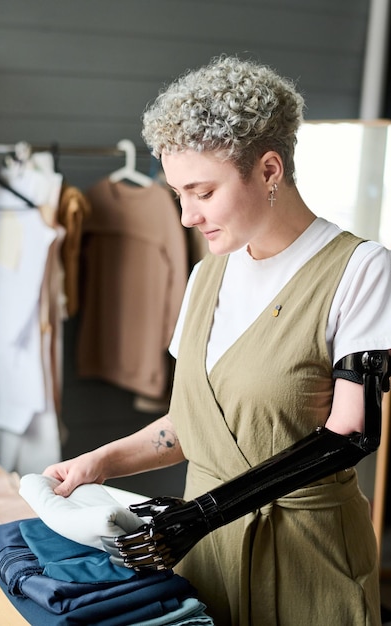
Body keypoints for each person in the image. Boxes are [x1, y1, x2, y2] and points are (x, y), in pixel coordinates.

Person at [44, 55, 391, 625]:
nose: (185, 216)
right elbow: (194, 424)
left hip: (308, 555)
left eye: (202, 192)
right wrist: (99, 463)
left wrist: (204, 512)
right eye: (178, 193)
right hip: (204, 553)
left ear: (270, 170)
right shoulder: (209, 272)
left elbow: (353, 433)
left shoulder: (358, 270)